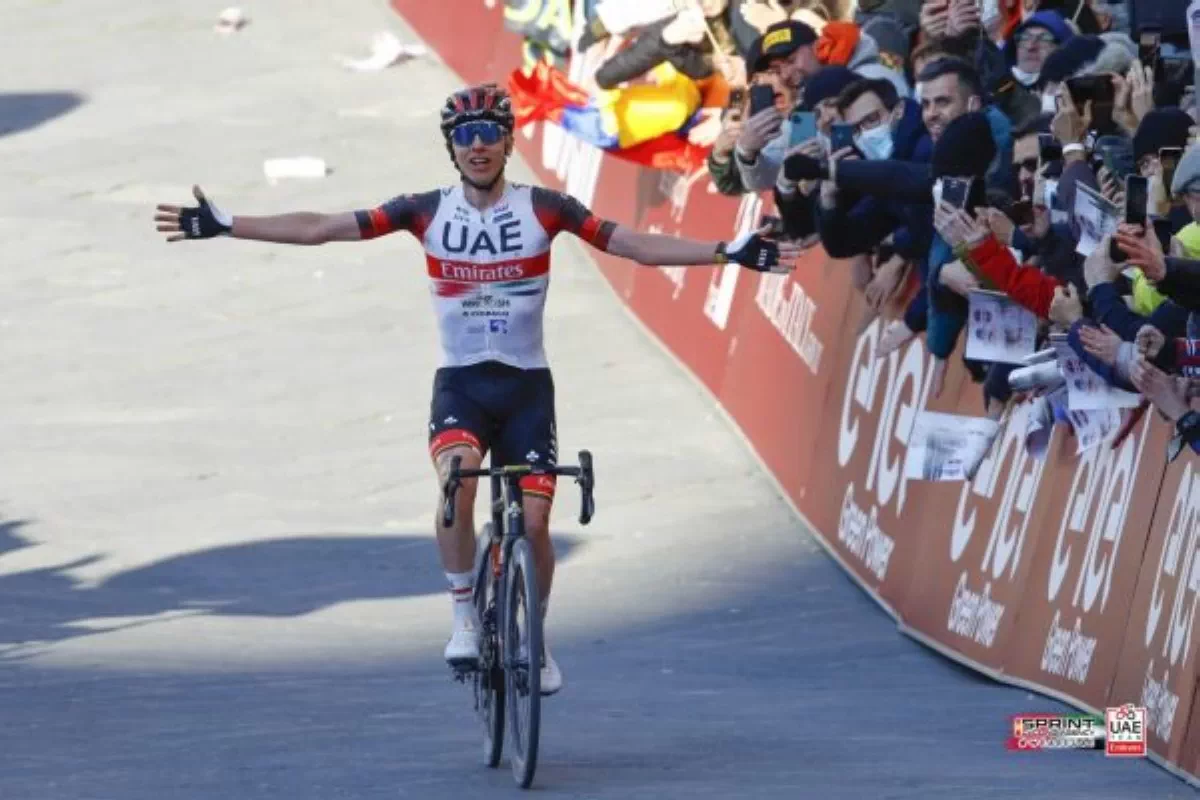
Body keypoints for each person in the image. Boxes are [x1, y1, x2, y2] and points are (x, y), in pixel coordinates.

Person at [152, 84, 799, 696]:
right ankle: (464, 613)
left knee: (538, 522)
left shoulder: (545, 208)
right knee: (456, 482)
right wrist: (228, 223)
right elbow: (322, 227)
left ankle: (534, 639)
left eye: (490, 131)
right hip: (461, 384)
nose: (478, 144)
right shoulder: (423, 211)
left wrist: (726, 251)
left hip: (526, 387)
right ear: (452, 147)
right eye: (466, 135)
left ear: (507, 140)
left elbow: (631, 244)